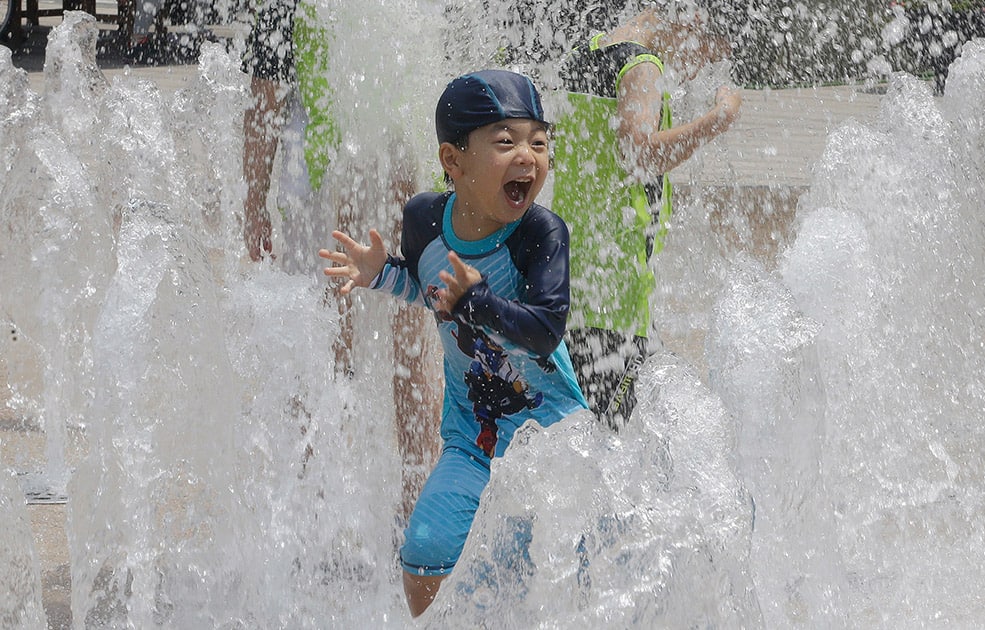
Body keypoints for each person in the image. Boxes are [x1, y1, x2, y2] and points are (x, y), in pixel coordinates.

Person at [319, 69, 588, 617]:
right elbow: (432, 292)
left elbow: (546, 328)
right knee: (423, 557)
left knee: (560, 580)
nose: (528, 157)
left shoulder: (541, 233)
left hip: (554, 442)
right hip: (474, 437)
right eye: (506, 141)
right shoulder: (424, 221)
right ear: (453, 161)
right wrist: (384, 275)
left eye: (539, 142)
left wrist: (478, 302)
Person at [240, 1, 440, 520]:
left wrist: (254, 200)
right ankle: (414, 501)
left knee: (330, 338)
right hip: (387, 168)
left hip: (329, 176)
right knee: (408, 341)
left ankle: (315, 503)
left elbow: (265, 97)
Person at [552, 3, 742, 430]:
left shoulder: (591, 51)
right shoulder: (641, 64)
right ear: (691, 19)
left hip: (576, 284)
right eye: (710, 52)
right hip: (614, 304)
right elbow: (640, 153)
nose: (701, 68)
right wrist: (719, 118)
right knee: (619, 446)